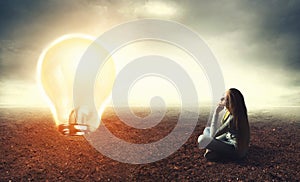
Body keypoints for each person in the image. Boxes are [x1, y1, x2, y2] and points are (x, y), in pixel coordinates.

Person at [197, 88, 250, 161]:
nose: (221, 99)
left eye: (224, 98)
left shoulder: (233, 118)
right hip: (229, 137)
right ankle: (213, 150)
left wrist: (216, 113)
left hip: (234, 150)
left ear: (229, 102)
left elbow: (213, 135)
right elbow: (221, 131)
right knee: (207, 129)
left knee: (202, 139)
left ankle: (211, 150)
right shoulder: (236, 113)